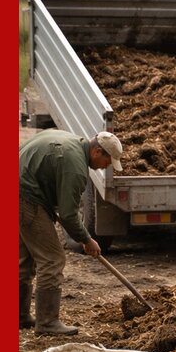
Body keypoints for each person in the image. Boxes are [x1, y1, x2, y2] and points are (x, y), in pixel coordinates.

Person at [19, 129, 123, 334]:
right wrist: (87, 239)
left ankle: (19, 316)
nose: (106, 166)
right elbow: (68, 214)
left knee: (26, 257)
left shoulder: (71, 141)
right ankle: (47, 323)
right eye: (108, 161)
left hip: (22, 189)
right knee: (52, 259)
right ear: (97, 151)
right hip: (25, 197)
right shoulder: (75, 168)